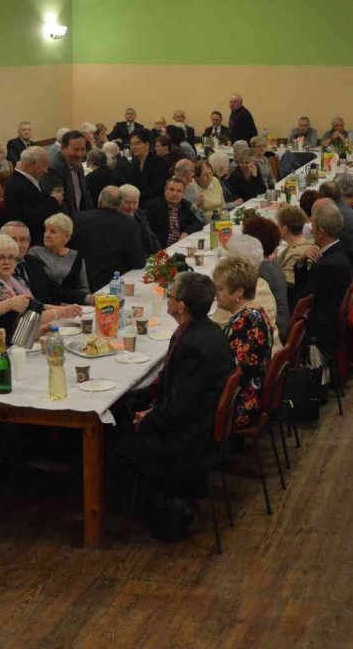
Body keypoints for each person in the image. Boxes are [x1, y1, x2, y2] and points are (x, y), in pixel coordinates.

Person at [108, 271, 237, 537]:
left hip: (189, 440)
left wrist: (148, 418)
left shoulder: (194, 345)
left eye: (171, 295)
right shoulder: (206, 330)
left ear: (181, 306)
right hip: (202, 425)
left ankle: (145, 509)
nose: (168, 298)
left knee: (112, 439)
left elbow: (180, 409)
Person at [212, 255, 273, 428]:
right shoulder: (254, 312)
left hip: (240, 405)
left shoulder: (245, 322)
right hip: (248, 395)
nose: (216, 294)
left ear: (238, 292)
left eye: (220, 289)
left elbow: (227, 369)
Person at [0, 233, 82, 325]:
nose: (7, 262)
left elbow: (32, 304)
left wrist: (63, 309)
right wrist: (59, 313)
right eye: (0, 257)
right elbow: (22, 321)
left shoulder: (13, 277)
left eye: (11, 257)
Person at [293, 203, 352, 358]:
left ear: (320, 232)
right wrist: (301, 261)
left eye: (313, 227)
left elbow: (302, 299)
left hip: (322, 328)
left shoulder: (327, 266)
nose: (310, 230)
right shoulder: (340, 249)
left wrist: (301, 266)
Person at [72, 186, 147, 292]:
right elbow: (138, 261)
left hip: (77, 282)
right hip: (111, 285)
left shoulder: (78, 218)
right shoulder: (128, 224)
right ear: (120, 204)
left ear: (100, 201)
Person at [4, 146, 63, 247]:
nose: (45, 171)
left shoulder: (26, 179)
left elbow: (36, 201)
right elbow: (31, 217)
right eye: (43, 166)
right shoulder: (17, 186)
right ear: (34, 164)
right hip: (32, 243)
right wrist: (54, 201)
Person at [27, 213, 90, 301]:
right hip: (49, 305)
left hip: (74, 304)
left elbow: (84, 288)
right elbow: (38, 288)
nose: (46, 235)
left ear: (66, 237)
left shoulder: (76, 256)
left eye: (53, 231)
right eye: (46, 230)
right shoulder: (35, 252)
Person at [43, 130, 93, 218]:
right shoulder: (54, 168)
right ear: (63, 149)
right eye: (75, 149)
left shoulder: (78, 165)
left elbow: (85, 195)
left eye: (83, 149)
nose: (79, 154)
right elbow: (60, 205)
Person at [144, 178, 204, 248]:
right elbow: (148, 234)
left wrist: (185, 233)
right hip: (162, 248)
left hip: (180, 245)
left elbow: (197, 223)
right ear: (165, 191)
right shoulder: (153, 206)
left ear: (182, 194)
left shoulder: (184, 205)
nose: (175, 194)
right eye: (171, 190)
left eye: (179, 191)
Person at [318, 182, 353, 259]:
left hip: (352, 259)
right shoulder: (343, 207)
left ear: (322, 196)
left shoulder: (334, 213)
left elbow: (326, 239)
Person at [119, 183, 162, 256]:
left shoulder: (139, 213)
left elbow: (151, 236)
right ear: (119, 201)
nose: (132, 206)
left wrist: (160, 253)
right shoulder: (115, 219)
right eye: (127, 202)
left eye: (135, 203)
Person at [276, 205, 312, 292]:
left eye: (278, 224)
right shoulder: (305, 244)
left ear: (284, 229)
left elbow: (285, 285)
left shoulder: (296, 255)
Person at [128, 131, 169, 206]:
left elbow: (158, 189)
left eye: (136, 144)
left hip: (154, 204)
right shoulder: (135, 164)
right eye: (131, 145)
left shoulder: (158, 162)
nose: (133, 147)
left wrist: (137, 196)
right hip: (137, 203)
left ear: (147, 144)